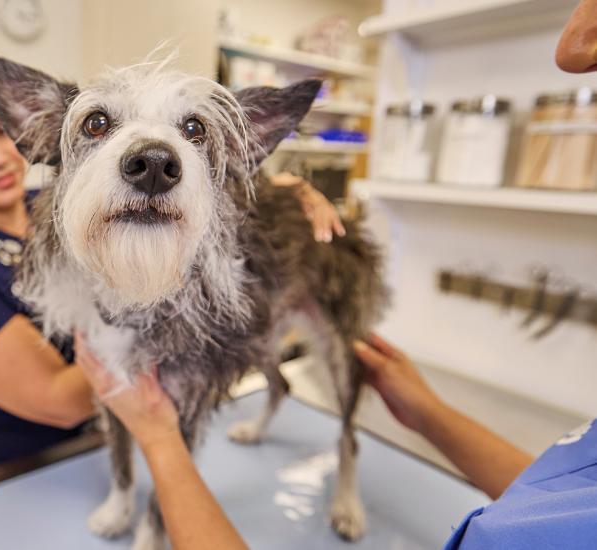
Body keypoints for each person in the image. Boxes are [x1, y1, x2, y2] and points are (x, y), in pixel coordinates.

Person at [75, 2, 597, 546]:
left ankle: (346, 463)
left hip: (324, 259)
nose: (571, 47)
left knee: (344, 372)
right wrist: (429, 413)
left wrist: (285, 185)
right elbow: (553, 495)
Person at [0, 61, 345, 483]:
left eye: (2, 133)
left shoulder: (66, 196)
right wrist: (181, 339)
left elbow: (210, 200)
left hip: (110, 447)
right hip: (7, 471)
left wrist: (288, 191)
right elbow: (61, 401)